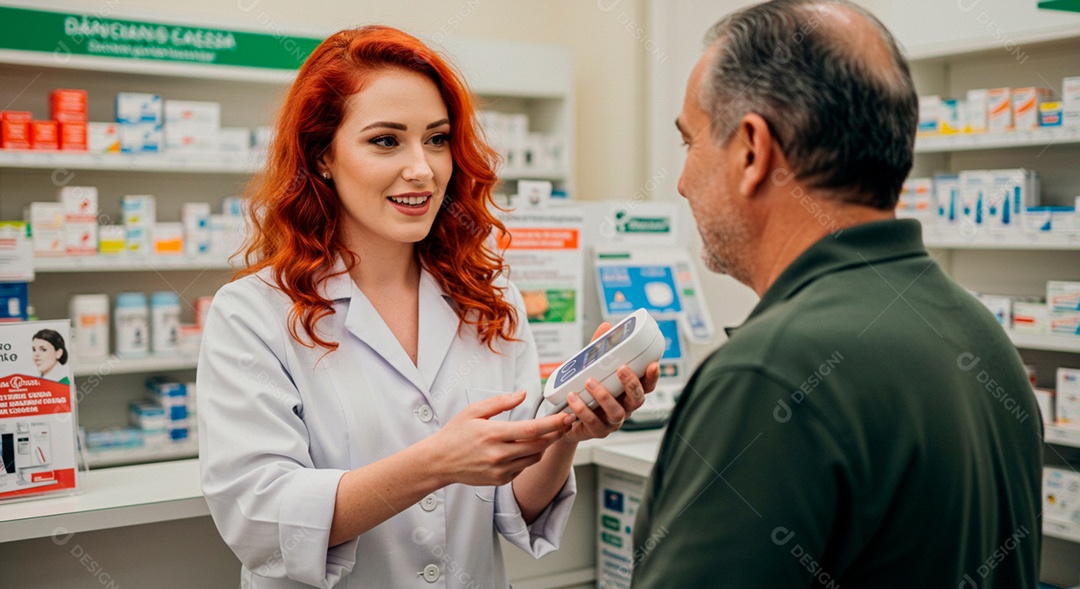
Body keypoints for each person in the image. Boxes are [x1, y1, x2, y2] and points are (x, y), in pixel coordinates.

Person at [197, 25, 659, 588]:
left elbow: (511, 504)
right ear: (322, 156)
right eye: (386, 141)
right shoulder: (255, 313)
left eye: (436, 139)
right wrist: (435, 464)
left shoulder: (490, 298)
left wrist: (564, 432)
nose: (422, 168)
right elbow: (259, 520)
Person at [631, 1, 1042, 587]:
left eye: (688, 143)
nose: (681, 182)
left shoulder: (767, 375)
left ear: (752, 150)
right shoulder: (979, 333)